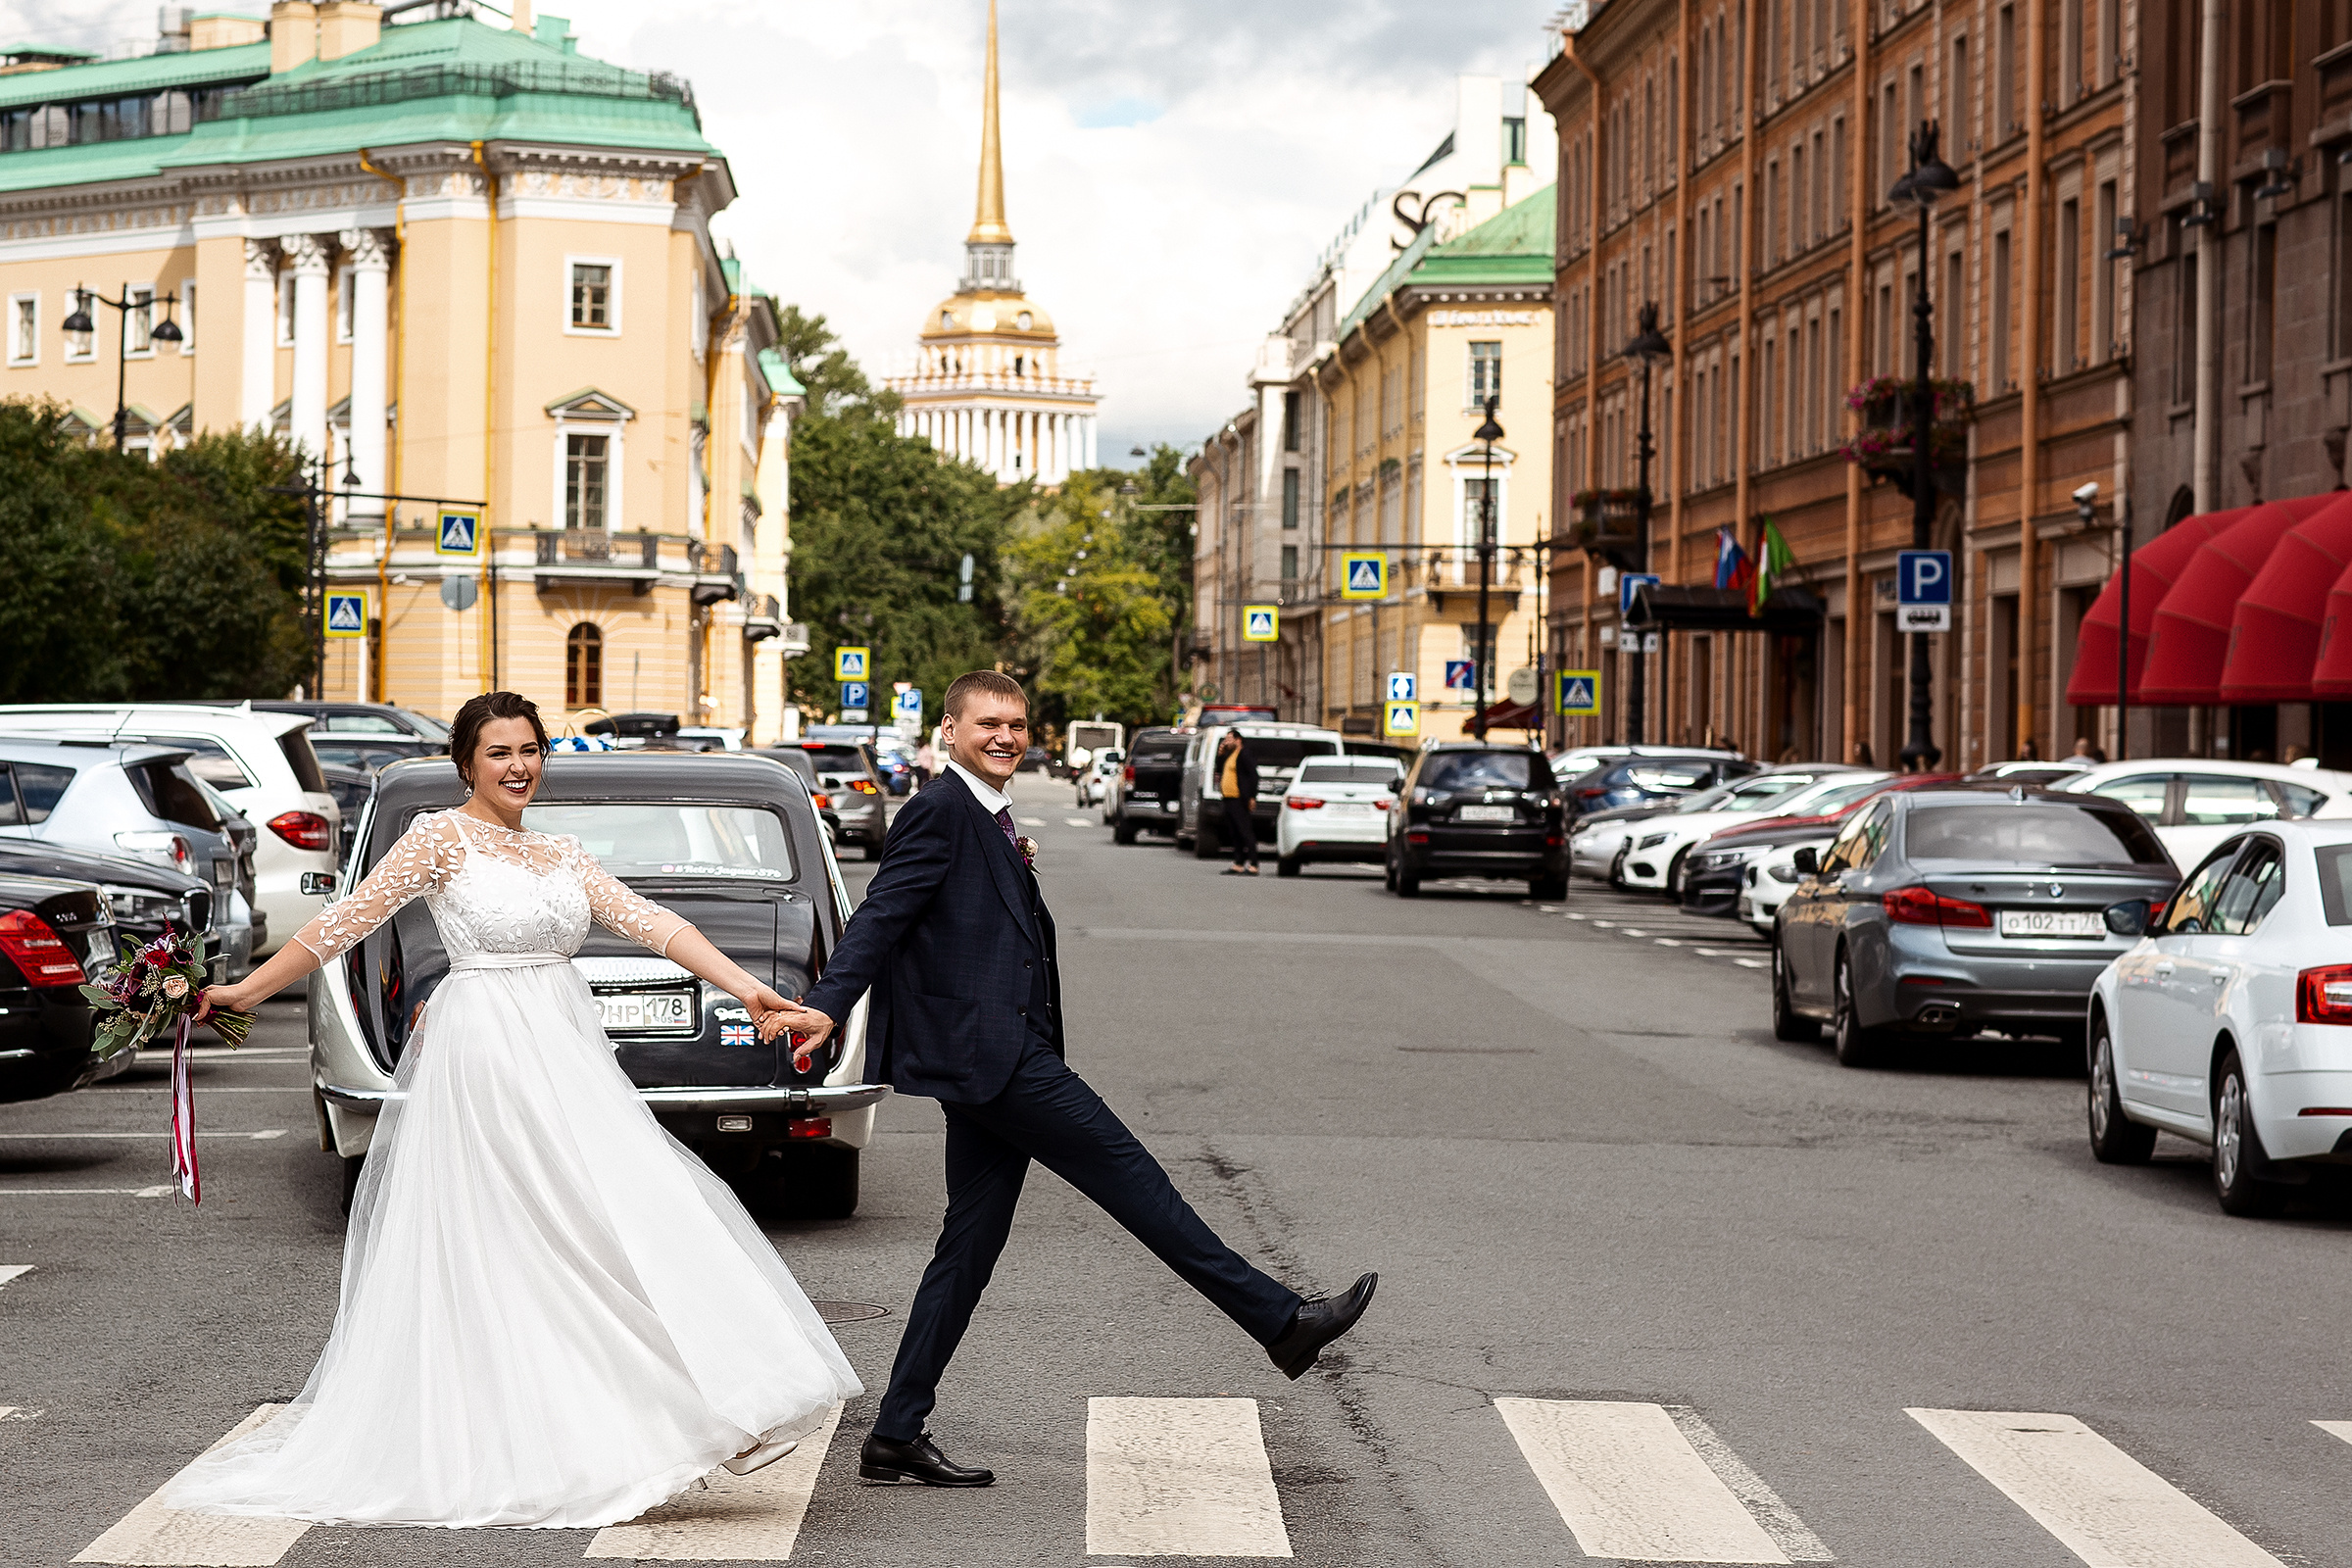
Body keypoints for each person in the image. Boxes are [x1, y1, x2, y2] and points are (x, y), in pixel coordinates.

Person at [165, 692, 860, 1529]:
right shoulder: (437, 838)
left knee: (619, 1226)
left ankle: (710, 1412)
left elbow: (655, 923)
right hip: (486, 1057)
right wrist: (244, 987)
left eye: (530, 750)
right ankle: (648, 1423)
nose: (519, 766)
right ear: (467, 764)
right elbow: (339, 927)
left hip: (567, 1057)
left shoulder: (563, 853)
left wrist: (749, 987)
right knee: (540, 1240)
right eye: (499, 753)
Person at [766, 672, 1374, 1489]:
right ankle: (1280, 1320)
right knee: (1138, 1184)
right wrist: (828, 1007)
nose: (1006, 737)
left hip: (996, 1059)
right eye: (988, 724)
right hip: (1000, 1060)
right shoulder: (940, 812)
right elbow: (880, 917)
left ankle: (896, 1431)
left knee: (968, 1249)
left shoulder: (989, 816)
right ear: (948, 731)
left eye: (1016, 724)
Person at [1215, 729, 1260, 875]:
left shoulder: (1244, 754)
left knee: (1245, 831)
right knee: (1234, 832)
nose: (1226, 742)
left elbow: (1253, 775)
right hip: (1228, 798)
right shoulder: (1230, 755)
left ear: (1238, 740)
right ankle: (1238, 863)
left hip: (1239, 799)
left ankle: (1254, 864)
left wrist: (1252, 797)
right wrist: (1220, 754)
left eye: (1229, 739)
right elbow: (1219, 769)